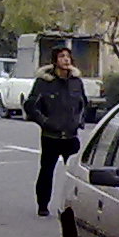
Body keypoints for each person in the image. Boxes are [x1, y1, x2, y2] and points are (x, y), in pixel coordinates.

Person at [24, 46, 91, 217]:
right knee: (46, 171)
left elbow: (83, 104)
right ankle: (43, 205)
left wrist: (79, 121)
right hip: (51, 136)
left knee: (77, 174)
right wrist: (45, 122)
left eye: (68, 56)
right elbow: (31, 106)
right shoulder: (44, 83)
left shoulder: (76, 82)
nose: (66, 60)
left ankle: (75, 207)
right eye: (62, 56)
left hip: (71, 136)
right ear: (55, 61)